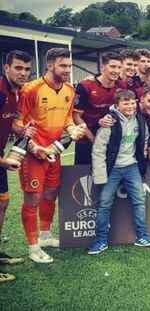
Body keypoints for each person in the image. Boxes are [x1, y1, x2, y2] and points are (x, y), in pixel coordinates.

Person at [14, 48, 85, 263]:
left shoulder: (70, 90)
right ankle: (33, 247)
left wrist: (72, 129)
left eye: (70, 66)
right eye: (63, 65)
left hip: (55, 152)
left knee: (51, 193)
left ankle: (45, 235)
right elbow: (17, 123)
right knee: (33, 198)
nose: (68, 70)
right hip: (33, 152)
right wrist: (33, 146)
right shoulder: (30, 89)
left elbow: (67, 119)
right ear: (50, 65)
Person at [89, 89, 150, 254]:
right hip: (112, 169)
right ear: (117, 105)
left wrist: (141, 159)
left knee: (140, 200)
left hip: (131, 167)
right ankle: (100, 240)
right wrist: (100, 175)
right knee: (104, 204)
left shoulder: (140, 120)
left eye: (133, 102)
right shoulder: (109, 122)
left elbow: (144, 141)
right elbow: (98, 150)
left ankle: (143, 236)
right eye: (126, 103)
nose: (130, 106)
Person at [0, 50, 32, 282]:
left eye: (27, 69)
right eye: (18, 68)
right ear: (6, 68)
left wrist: (18, 130)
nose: (23, 73)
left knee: (2, 204)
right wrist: (3, 162)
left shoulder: (16, 93)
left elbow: (7, 120)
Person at [73, 52, 126, 165]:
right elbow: (76, 116)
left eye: (119, 67)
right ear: (102, 67)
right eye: (112, 66)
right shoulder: (86, 86)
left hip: (109, 141)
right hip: (86, 140)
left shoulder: (121, 86)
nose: (116, 71)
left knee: (108, 176)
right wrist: (93, 139)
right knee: (83, 177)